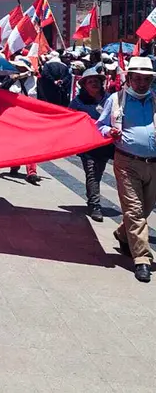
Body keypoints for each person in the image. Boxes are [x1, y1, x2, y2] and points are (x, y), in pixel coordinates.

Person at [96, 56, 156, 283]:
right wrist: (108, 132)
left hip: (154, 164)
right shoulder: (116, 99)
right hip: (127, 162)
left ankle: (123, 233)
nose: (142, 83)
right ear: (129, 78)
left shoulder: (154, 99)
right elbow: (100, 124)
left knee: (146, 208)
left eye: (146, 79)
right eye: (138, 78)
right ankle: (142, 259)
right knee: (135, 210)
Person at [69, 65, 114, 222]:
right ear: (84, 85)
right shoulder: (78, 103)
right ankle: (94, 205)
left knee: (98, 174)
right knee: (93, 174)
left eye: (96, 81)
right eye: (90, 81)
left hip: (106, 146)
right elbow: (70, 121)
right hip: (88, 147)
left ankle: (92, 197)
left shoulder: (110, 100)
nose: (94, 84)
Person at [3, 57, 41, 184]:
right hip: (14, 116)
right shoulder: (11, 80)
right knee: (16, 142)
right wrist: (12, 79)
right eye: (17, 67)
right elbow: (1, 90)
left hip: (31, 116)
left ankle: (32, 172)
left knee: (31, 144)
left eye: (21, 67)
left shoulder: (36, 82)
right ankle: (14, 164)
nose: (18, 69)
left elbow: (43, 99)